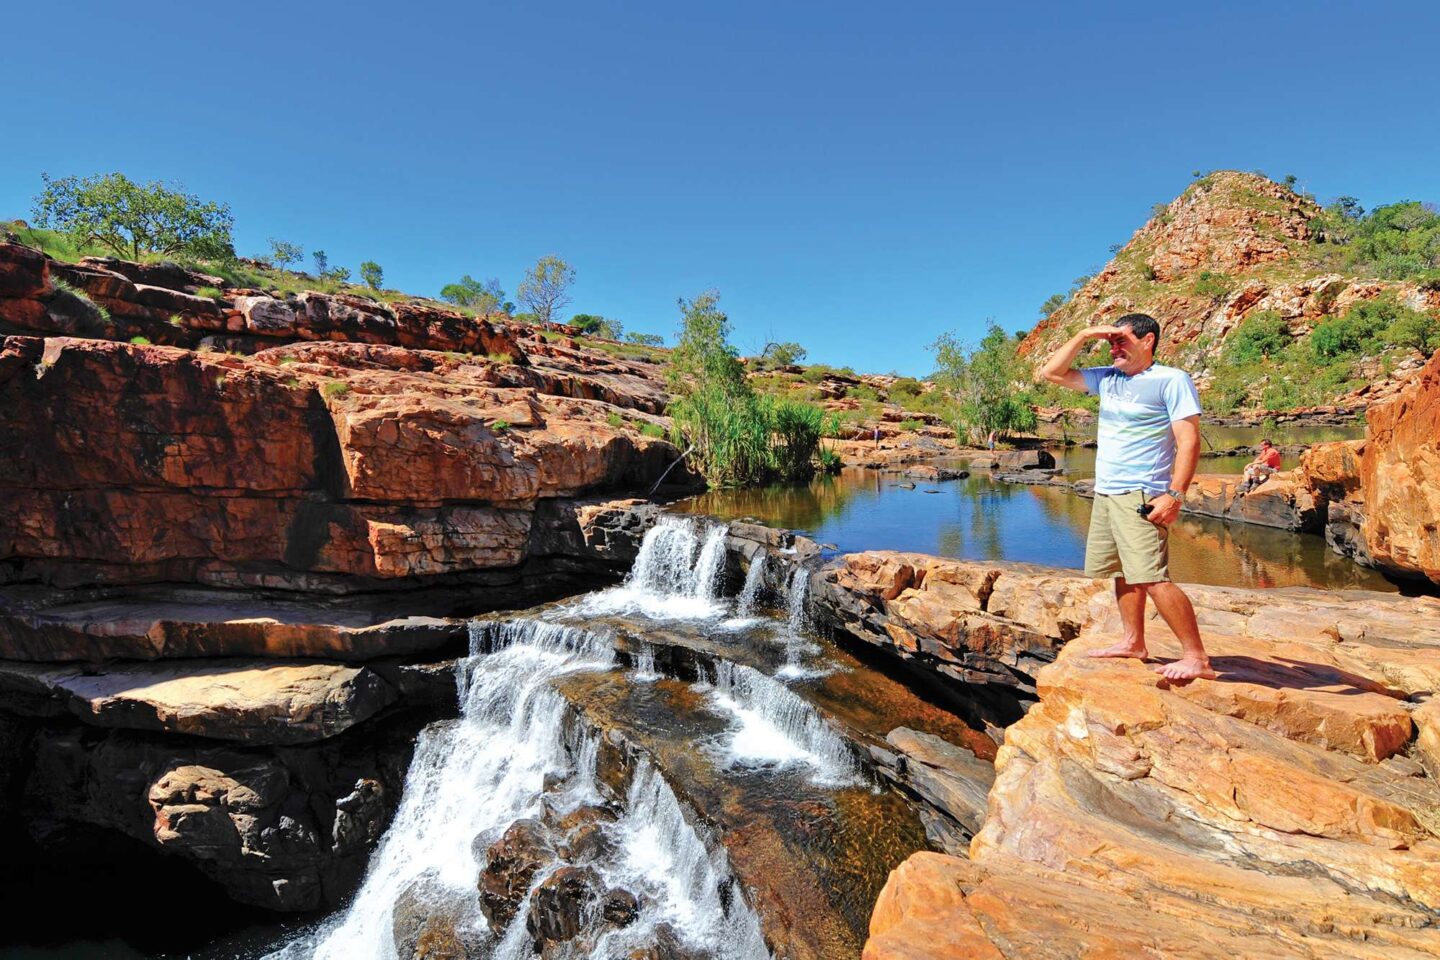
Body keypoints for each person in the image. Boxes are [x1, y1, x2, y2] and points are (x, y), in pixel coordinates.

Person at [1038, 313, 1215, 681]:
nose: (1115, 348)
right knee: (1121, 571)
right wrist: (1085, 333)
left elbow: (1189, 441)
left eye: (1122, 341)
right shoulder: (1108, 378)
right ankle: (1133, 641)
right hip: (1106, 491)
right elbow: (1051, 373)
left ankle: (1196, 657)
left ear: (1148, 341)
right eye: (1111, 343)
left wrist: (1174, 494)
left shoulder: (1171, 380)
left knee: (1151, 577)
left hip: (1141, 491)